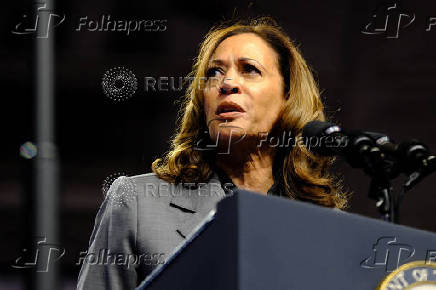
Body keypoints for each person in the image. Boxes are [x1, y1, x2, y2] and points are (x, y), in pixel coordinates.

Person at [77, 16, 349, 289]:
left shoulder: (331, 228)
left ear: (288, 97)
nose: (227, 82)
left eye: (250, 69)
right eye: (214, 73)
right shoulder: (137, 203)